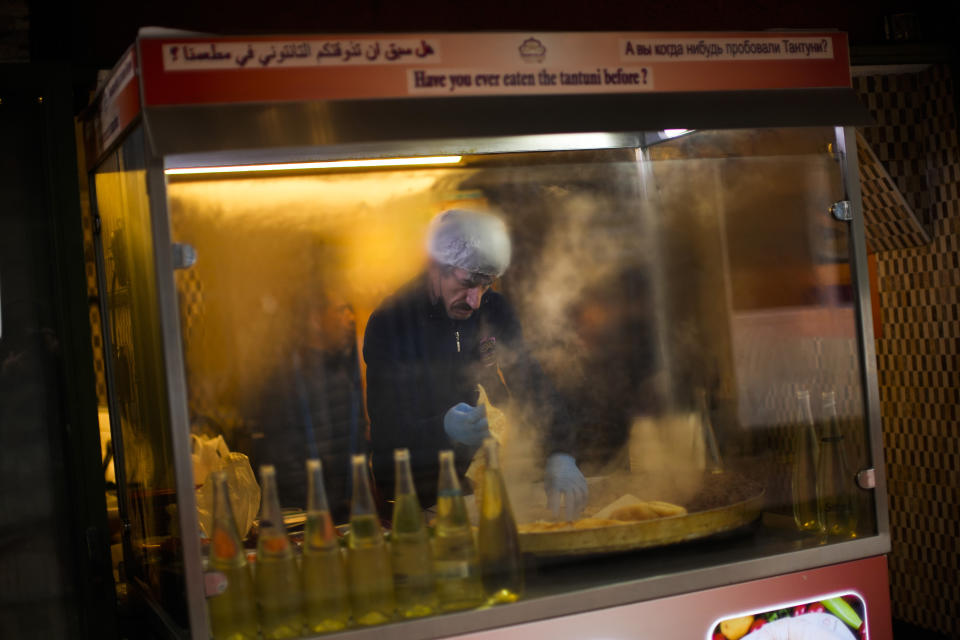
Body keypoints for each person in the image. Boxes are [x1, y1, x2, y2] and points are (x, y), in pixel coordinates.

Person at [362, 208, 588, 519]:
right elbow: (388, 433)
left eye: (485, 285)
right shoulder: (391, 322)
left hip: (491, 483)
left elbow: (530, 379)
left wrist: (560, 450)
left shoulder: (493, 310)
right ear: (435, 267)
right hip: (421, 502)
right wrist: (442, 427)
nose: (475, 301)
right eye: (467, 283)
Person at [250, 290, 366, 522]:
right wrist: (316, 508)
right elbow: (283, 455)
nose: (351, 318)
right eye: (342, 310)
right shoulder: (287, 376)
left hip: (345, 511)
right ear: (315, 319)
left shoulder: (344, 369)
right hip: (307, 515)